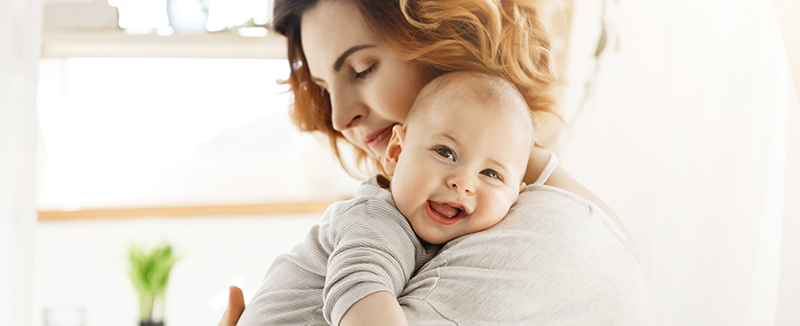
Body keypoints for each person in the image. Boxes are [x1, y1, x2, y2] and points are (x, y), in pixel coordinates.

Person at [220, 0, 651, 324]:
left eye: (363, 68)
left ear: (449, 37)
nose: (338, 117)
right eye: (326, 88)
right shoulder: (383, 215)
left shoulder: (553, 232)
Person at [237, 71, 535, 326]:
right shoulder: (377, 221)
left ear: (516, 196)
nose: (463, 182)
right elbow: (360, 288)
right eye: (445, 152)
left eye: (491, 173)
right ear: (395, 154)